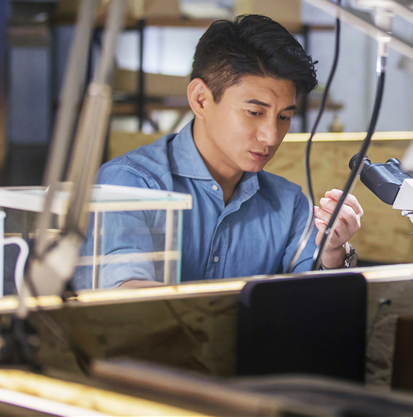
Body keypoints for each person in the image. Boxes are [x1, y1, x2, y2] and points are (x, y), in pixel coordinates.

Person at [75, 15, 361, 289]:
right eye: (255, 112)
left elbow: (316, 301)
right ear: (200, 99)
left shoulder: (290, 205)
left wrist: (333, 252)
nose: (272, 136)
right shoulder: (129, 185)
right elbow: (123, 297)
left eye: (284, 117)